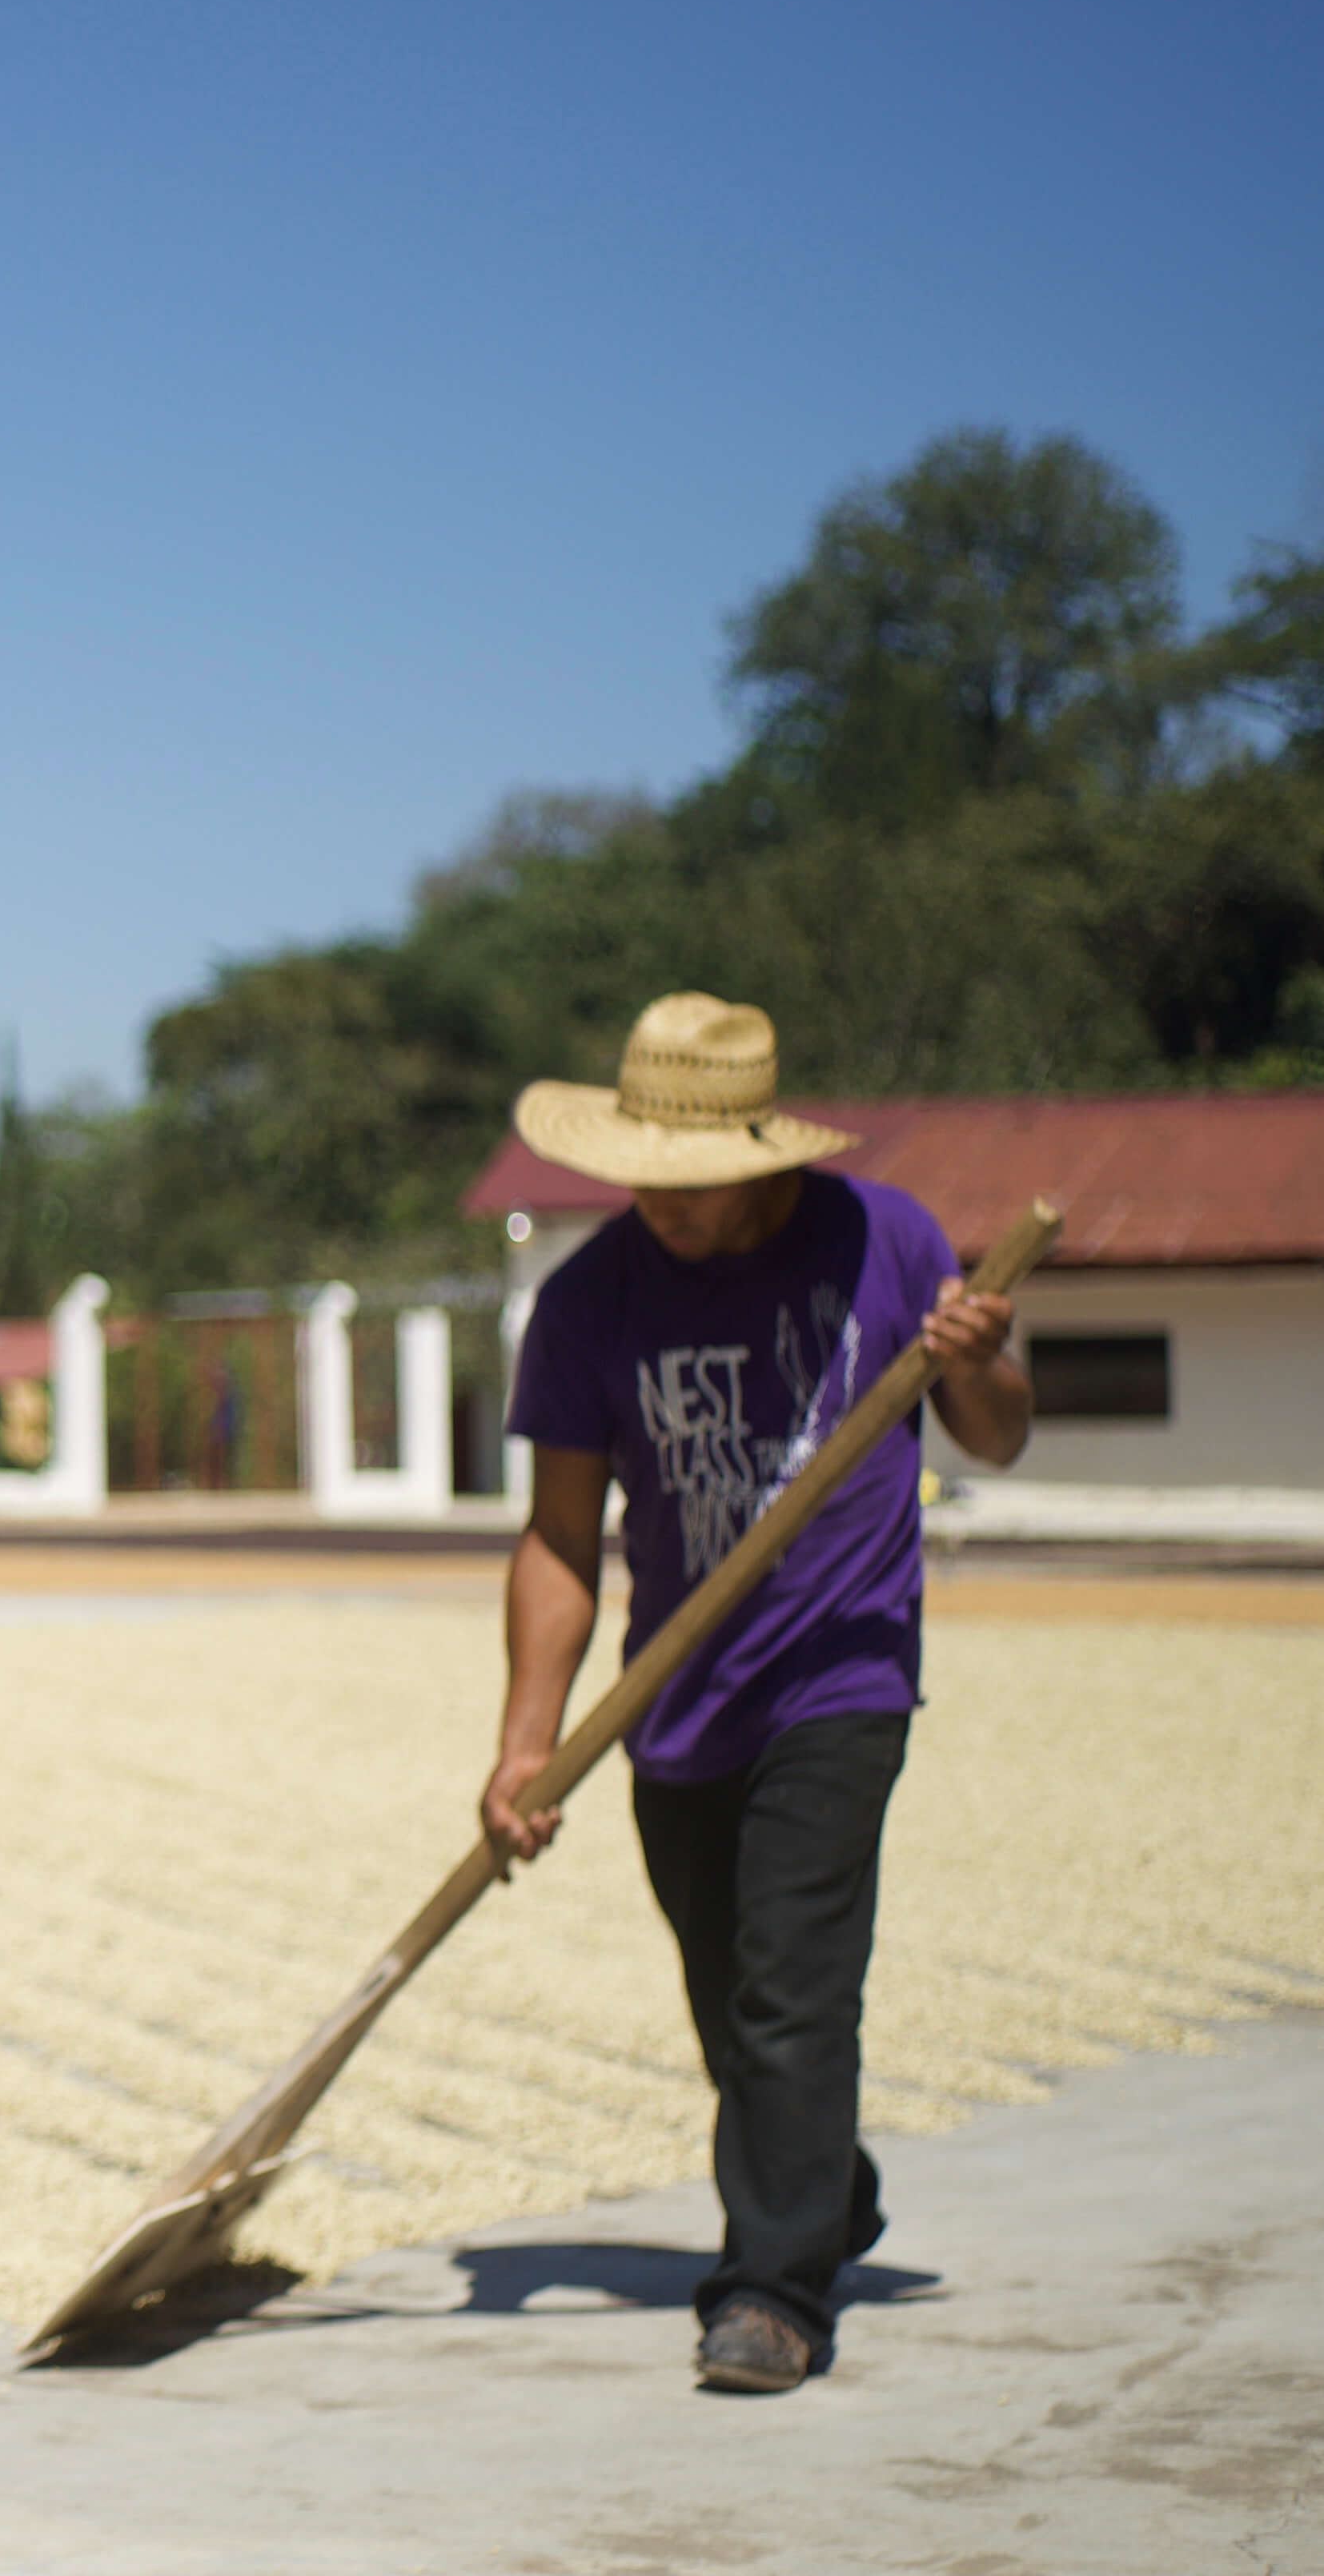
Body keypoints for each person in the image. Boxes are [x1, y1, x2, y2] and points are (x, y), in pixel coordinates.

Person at [481, 993, 1029, 2396]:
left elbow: (998, 1437)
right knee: (733, 2005)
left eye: (694, 1179)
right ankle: (823, 2189)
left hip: (841, 1675)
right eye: (643, 1174)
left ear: (764, 1152)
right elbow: (557, 1540)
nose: (662, 1203)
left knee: (793, 1985)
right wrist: (525, 1747)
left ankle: (774, 2291)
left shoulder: (883, 1240)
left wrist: (977, 1366)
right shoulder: (590, 1302)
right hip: (676, 1700)